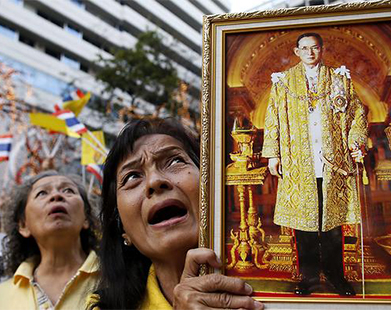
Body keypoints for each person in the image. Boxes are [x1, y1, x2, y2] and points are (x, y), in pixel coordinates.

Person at [90, 118, 263, 309]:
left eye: (174, 161)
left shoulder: (276, 294)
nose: (155, 181)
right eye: (132, 176)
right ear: (122, 228)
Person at [262, 32, 368, 296]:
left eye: (315, 48)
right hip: (298, 162)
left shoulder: (339, 79)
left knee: (332, 224)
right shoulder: (284, 82)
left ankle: (336, 276)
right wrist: (273, 154)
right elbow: (272, 118)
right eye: (305, 48)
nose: (310, 53)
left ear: (322, 50)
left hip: (333, 162)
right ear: (296, 51)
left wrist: (356, 141)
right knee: (304, 225)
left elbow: (357, 112)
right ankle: (308, 278)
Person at [0, 170, 99, 309]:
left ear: (86, 218)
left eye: (68, 190)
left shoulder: (121, 279)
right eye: (42, 193)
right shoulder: (3, 296)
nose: (57, 195)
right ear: (23, 225)